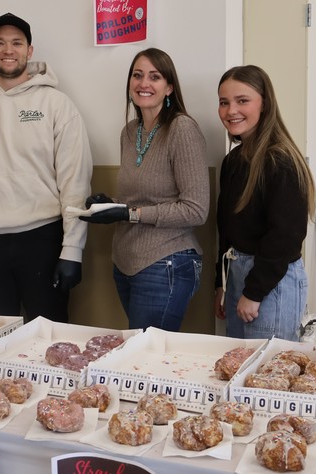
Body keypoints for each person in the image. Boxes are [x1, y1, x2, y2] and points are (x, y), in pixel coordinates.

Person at [0, 13, 93, 323]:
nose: (8, 50)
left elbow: (75, 183)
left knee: (49, 342)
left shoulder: (56, 105)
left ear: (29, 50)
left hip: (44, 241)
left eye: (16, 43)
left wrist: (72, 249)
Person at [80, 48, 210, 331]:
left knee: (147, 361)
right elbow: (137, 200)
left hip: (167, 262)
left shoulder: (181, 129)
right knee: (137, 354)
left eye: (155, 76)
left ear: (169, 87)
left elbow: (196, 210)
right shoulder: (129, 132)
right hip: (125, 263)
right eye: (137, 76)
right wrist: (109, 205)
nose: (144, 83)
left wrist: (129, 213)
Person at [213, 65, 316, 341]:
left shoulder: (280, 161)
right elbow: (226, 231)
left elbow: (285, 237)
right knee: (237, 368)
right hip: (237, 273)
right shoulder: (233, 161)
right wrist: (221, 284)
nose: (231, 110)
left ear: (265, 104)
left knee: (266, 374)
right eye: (224, 102)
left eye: (242, 101)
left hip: (271, 282)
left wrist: (253, 292)